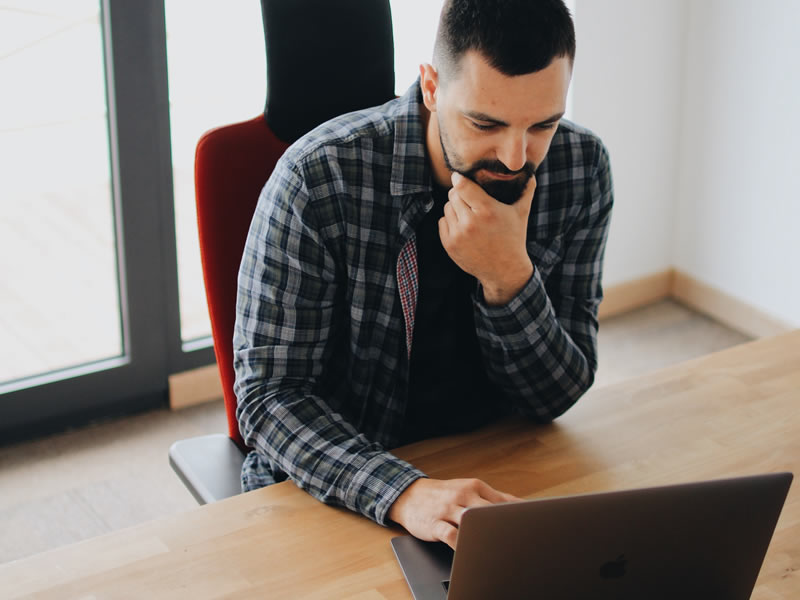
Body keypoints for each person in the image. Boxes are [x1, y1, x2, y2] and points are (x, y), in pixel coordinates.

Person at [233, 0, 613, 550]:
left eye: (542, 125)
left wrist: (509, 277)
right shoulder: (317, 179)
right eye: (486, 122)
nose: (514, 157)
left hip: (498, 473)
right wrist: (405, 493)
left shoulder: (581, 167)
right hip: (344, 485)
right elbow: (269, 399)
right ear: (432, 87)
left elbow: (556, 397)